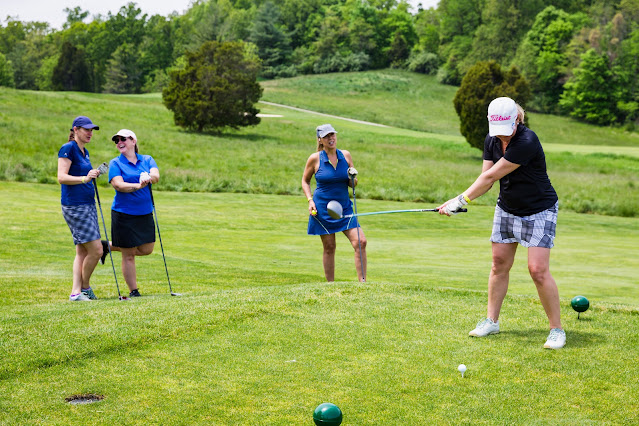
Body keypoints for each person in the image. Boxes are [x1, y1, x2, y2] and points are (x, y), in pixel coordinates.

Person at [437, 97, 565, 350]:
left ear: (517, 120)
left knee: (537, 270)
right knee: (498, 264)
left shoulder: (527, 141)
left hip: (540, 209)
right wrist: (462, 203)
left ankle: (556, 330)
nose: (502, 138)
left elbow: (494, 174)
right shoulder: (491, 139)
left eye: (507, 131)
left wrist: (459, 199)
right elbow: (486, 177)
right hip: (507, 208)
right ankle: (491, 321)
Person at [302, 124, 367, 282]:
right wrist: (310, 200)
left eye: (333, 135)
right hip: (323, 209)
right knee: (329, 247)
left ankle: (363, 283)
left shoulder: (345, 155)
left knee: (360, 241)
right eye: (326, 136)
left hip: (344, 208)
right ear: (320, 140)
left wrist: (353, 178)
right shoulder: (315, 158)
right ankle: (330, 285)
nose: (331, 138)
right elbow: (305, 181)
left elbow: (353, 184)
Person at [57, 116, 108, 301]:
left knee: (82, 251)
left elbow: (82, 174)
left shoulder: (84, 151)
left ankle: (76, 292)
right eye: (86, 129)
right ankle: (84, 288)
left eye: (92, 130)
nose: (90, 133)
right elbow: (61, 177)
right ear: (76, 130)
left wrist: (91, 174)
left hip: (87, 204)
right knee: (96, 250)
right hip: (75, 206)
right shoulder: (68, 148)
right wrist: (84, 179)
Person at [107, 129, 160, 297]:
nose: (119, 142)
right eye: (116, 141)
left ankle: (106, 246)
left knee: (147, 249)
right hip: (124, 213)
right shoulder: (115, 163)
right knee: (128, 254)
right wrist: (139, 186)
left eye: (123, 139)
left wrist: (149, 177)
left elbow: (156, 175)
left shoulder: (147, 159)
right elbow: (118, 185)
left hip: (145, 212)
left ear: (133, 141)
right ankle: (134, 291)